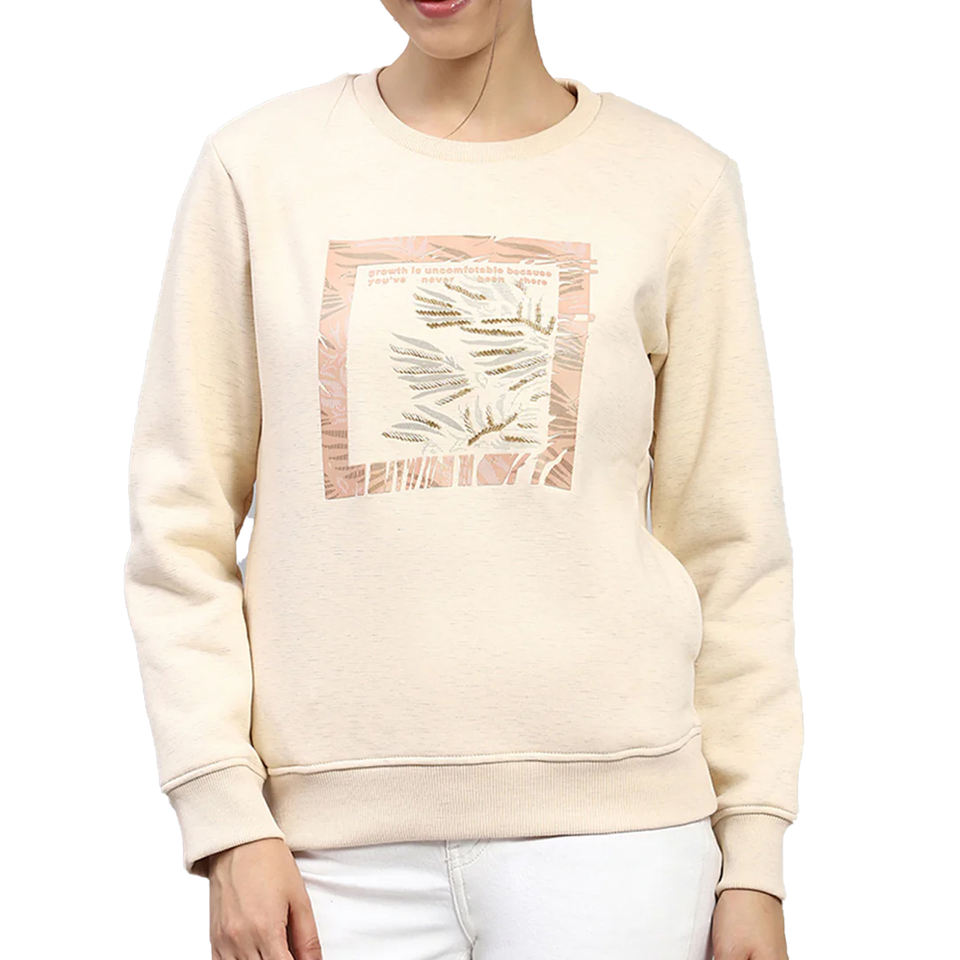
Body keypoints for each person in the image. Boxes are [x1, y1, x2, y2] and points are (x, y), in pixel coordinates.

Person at [122, 1, 803, 958]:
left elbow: (733, 547)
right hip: (322, 861)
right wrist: (225, 819)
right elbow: (179, 523)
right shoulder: (258, 170)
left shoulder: (676, 184)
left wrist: (755, 857)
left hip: (620, 848)